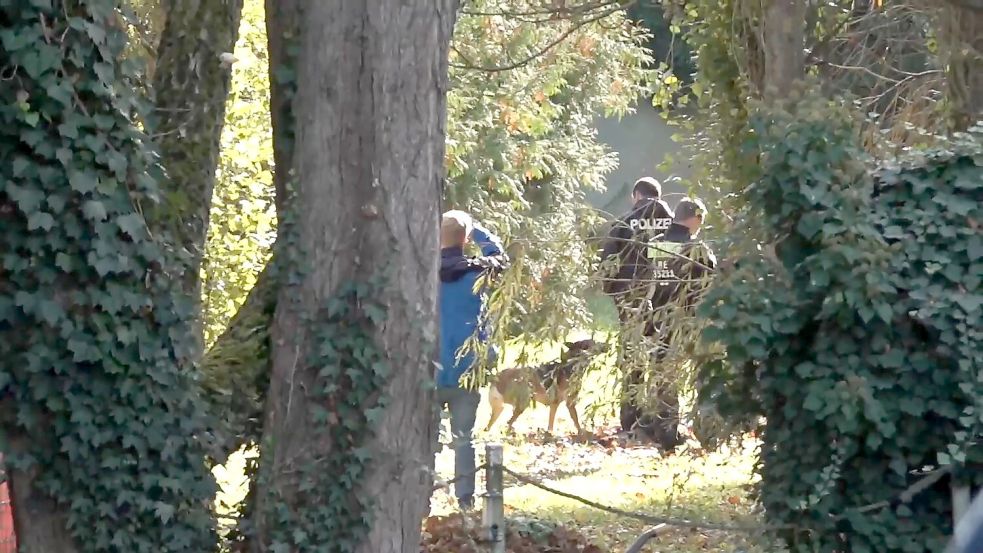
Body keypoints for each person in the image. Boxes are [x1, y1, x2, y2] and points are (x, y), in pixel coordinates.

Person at [437, 210, 507, 510]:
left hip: (430, 368)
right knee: (464, 438)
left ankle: (421, 499)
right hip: (466, 369)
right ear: (465, 239)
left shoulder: (421, 274)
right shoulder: (478, 272)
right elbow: (500, 258)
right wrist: (475, 229)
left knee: (424, 439)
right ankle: (465, 501)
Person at [599, 177, 675, 444]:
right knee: (662, 359)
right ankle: (662, 423)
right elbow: (676, 261)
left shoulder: (623, 224)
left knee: (632, 359)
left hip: (632, 302)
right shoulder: (672, 224)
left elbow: (607, 265)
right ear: (659, 196)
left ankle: (631, 420)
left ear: (636, 196)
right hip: (666, 304)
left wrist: (617, 295)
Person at [643, 197, 716, 449]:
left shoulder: (655, 245)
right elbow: (709, 284)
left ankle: (666, 434)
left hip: (659, 319)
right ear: (695, 218)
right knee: (702, 374)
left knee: (665, 377)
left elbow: (648, 280)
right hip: (690, 321)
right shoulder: (698, 250)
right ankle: (706, 431)